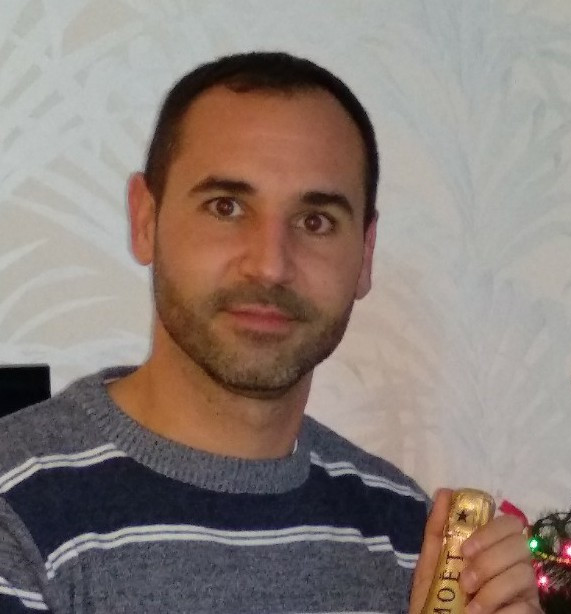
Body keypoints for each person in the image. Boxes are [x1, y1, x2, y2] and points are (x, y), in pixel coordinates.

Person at [0, 51, 541, 613]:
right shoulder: (15, 512)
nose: (270, 266)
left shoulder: (408, 537)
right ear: (145, 219)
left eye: (315, 221)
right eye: (226, 207)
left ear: (365, 253)